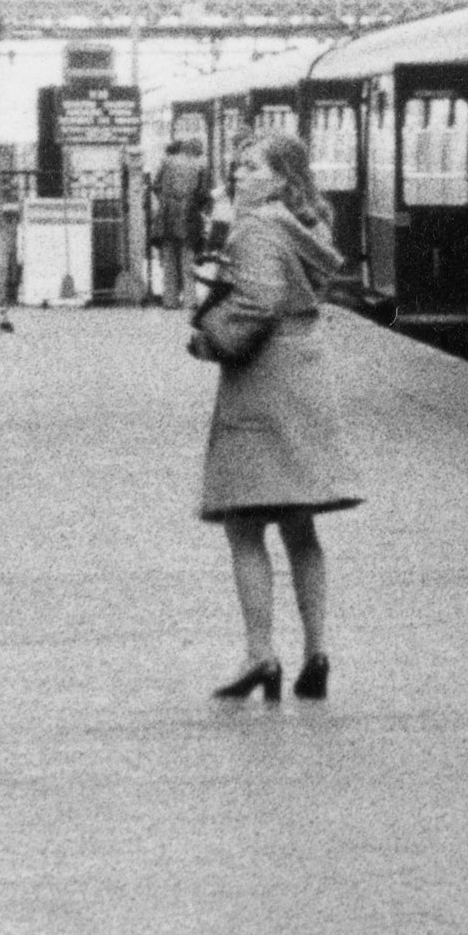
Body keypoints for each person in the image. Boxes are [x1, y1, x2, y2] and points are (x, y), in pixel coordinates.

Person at [192, 125, 360, 700]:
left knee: (243, 526)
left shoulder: (258, 230)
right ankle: (317, 653)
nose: (238, 175)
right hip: (305, 374)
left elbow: (257, 304)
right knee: (300, 524)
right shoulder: (309, 225)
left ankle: (260, 654)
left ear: (282, 179)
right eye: (237, 166)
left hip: (264, 383)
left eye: (253, 168)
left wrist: (208, 337)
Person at [144, 121, 214, 309]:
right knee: (187, 259)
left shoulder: (167, 161)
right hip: (189, 215)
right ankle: (190, 300)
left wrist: (166, 200)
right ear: (196, 150)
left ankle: (170, 299)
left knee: (168, 258)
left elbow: (156, 185)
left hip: (166, 215)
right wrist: (196, 206)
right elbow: (203, 194)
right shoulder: (200, 166)